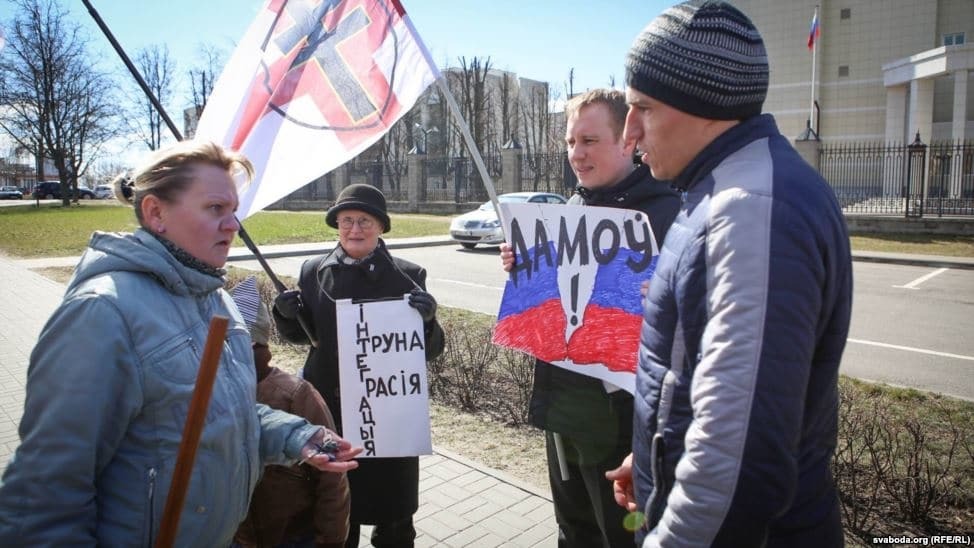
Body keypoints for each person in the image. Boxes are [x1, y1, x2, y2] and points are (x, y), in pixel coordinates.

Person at [0, 140, 359, 547]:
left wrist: (295, 436)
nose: (234, 225)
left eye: (233, 210)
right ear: (156, 213)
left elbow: (219, 415)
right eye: (214, 209)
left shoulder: (216, 300)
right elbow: (44, 496)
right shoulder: (103, 314)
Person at [605, 2, 854, 546]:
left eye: (642, 108)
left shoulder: (748, 210)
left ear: (706, 106)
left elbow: (740, 464)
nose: (629, 133)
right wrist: (655, 458)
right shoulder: (725, 191)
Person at [500, 88, 680, 547]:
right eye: (569, 142)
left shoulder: (669, 214)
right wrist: (526, 270)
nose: (576, 154)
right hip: (564, 407)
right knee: (572, 530)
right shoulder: (571, 208)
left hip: (624, 420)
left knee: (619, 536)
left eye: (589, 140)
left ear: (627, 140)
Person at [273, 183, 445, 548]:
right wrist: (286, 316)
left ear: (381, 227)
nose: (354, 229)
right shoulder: (313, 271)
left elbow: (428, 351)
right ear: (336, 224)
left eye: (364, 221)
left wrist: (428, 321)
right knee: (338, 513)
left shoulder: (409, 274)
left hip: (389, 416)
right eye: (347, 220)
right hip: (332, 411)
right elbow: (303, 337)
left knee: (394, 519)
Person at [231, 276, 351, 548]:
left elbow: (332, 478)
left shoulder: (295, 394)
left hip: (296, 537)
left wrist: (330, 540)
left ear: (252, 343)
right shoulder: (214, 391)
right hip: (238, 537)